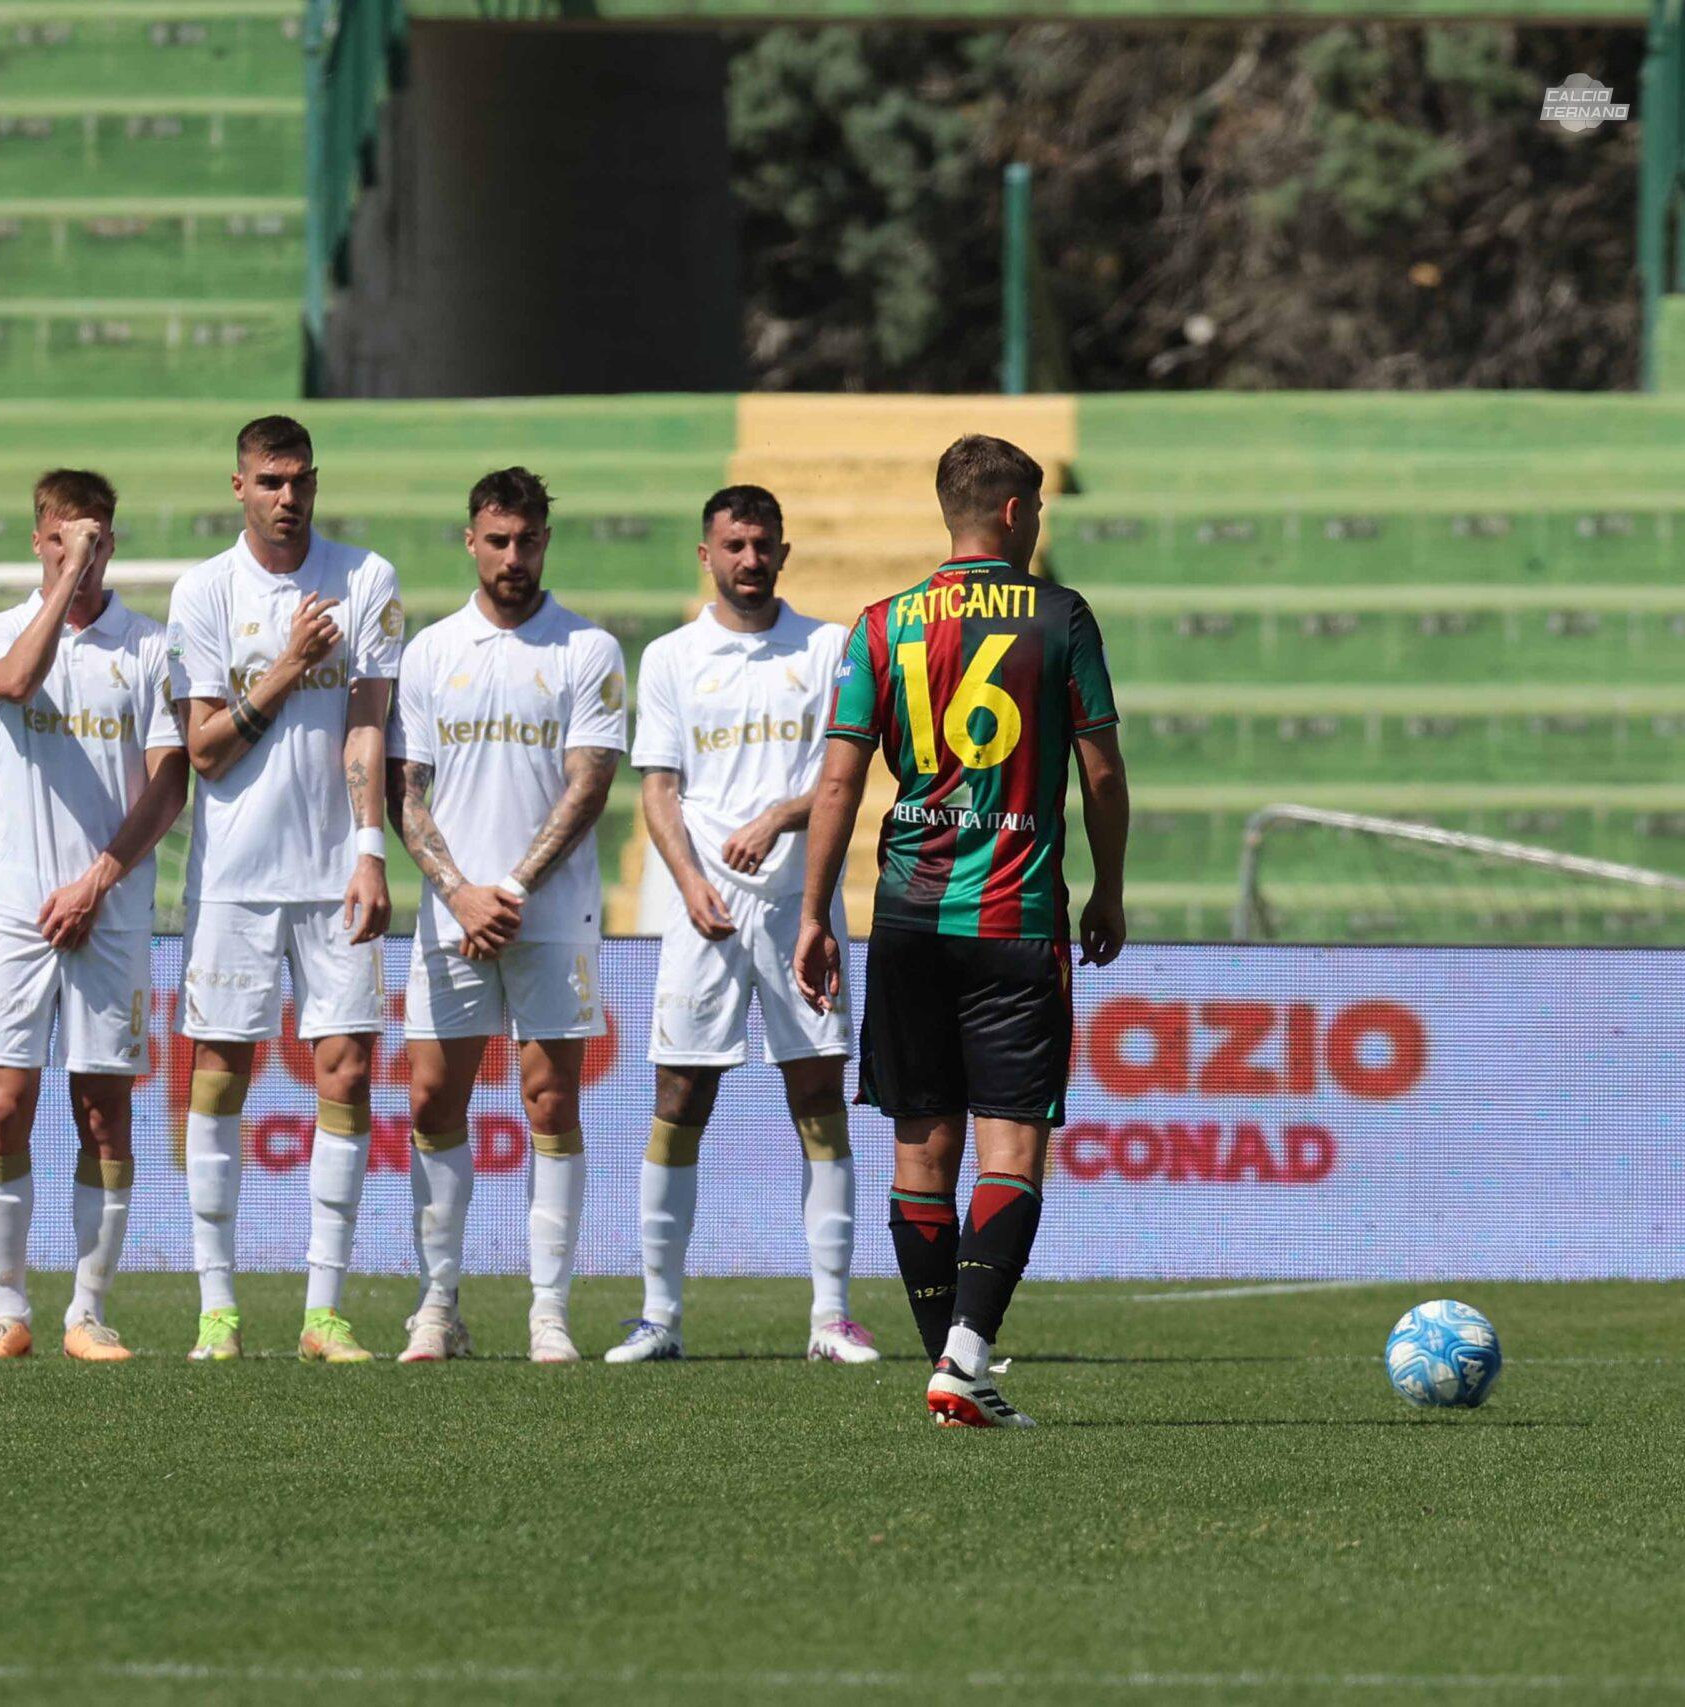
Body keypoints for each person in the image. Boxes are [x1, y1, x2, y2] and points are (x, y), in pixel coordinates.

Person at [793, 434, 1131, 1427]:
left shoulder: (882, 625)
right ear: (1019, 514)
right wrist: (1107, 887)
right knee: (1010, 1149)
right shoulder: (1059, 617)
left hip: (905, 917)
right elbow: (1101, 772)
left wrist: (816, 912)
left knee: (918, 1150)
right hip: (1013, 916)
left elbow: (841, 780)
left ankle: (950, 1363)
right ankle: (967, 1357)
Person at [609, 485, 877, 1366]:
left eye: (764, 545)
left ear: (784, 552)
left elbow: (850, 771)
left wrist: (779, 817)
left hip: (804, 911)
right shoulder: (673, 657)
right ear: (706, 554)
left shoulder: (830, 646)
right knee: (679, 1099)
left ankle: (830, 1317)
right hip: (704, 915)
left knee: (819, 1100)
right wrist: (687, 881)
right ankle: (659, 1317)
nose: (750, 560)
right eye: (734, 545)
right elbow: (657, 786)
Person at [167, 416, 402, 1365]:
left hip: (332, 870)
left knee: (345, 1071)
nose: (287, 495)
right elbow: (206, 751)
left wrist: (372, 848)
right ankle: (216, 1309)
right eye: (269, 480)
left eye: (300, 478)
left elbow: (368, 725)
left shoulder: (367, 578)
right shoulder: (203, 592)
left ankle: (323, 1311)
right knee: (219, 1073)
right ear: (238, 486)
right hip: (233, 875)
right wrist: (288, 667)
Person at [387, 468, 625, 1365]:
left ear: (545, 543)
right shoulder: (430, 652)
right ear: (470, 540)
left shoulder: (586, 648)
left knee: (551, 1099)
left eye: (527, 540)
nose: (513, 556)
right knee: (430, 1098)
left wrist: (511, 889)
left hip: (550, 916)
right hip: (452, 914)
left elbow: (590, 782)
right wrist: (458, 891)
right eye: (497, 539)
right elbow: (403, 791)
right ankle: (438, 1304)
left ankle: (548, 1311)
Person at [0, 469, 189, 1363]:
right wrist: (62, 589)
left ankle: (88, 1312)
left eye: (95, 538)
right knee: (5, 1101)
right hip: (12, 910)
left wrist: (99, 879)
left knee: (103, 1109)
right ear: (39, 542)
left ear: (116, 543)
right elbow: (17, 681)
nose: (81, 552)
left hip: (112, 908)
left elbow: (170, 783)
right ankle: (7, 1309)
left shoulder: (150, 648)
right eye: (63, 537)